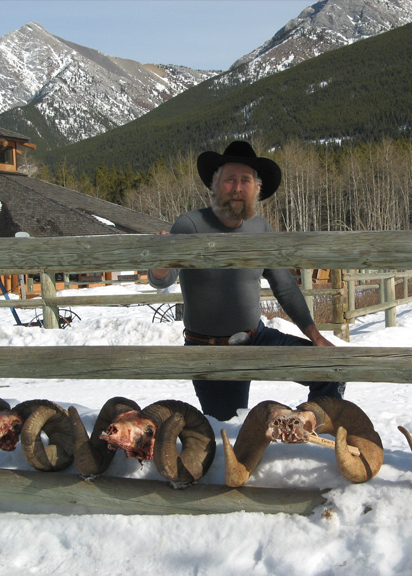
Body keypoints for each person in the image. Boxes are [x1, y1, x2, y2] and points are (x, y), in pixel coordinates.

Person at [148, 140, 345, 421]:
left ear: (256, 189)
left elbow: (285, 286)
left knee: (329, 370)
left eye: (245, 181)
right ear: (215, 184)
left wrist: (315, 336)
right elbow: (163, 278)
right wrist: (159, 264)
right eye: (230, 179)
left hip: (257, 338)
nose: (237, 188)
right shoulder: (190, 225)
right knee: (227, 429)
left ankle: (308, 426)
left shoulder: (260, 229)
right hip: (210, 349)